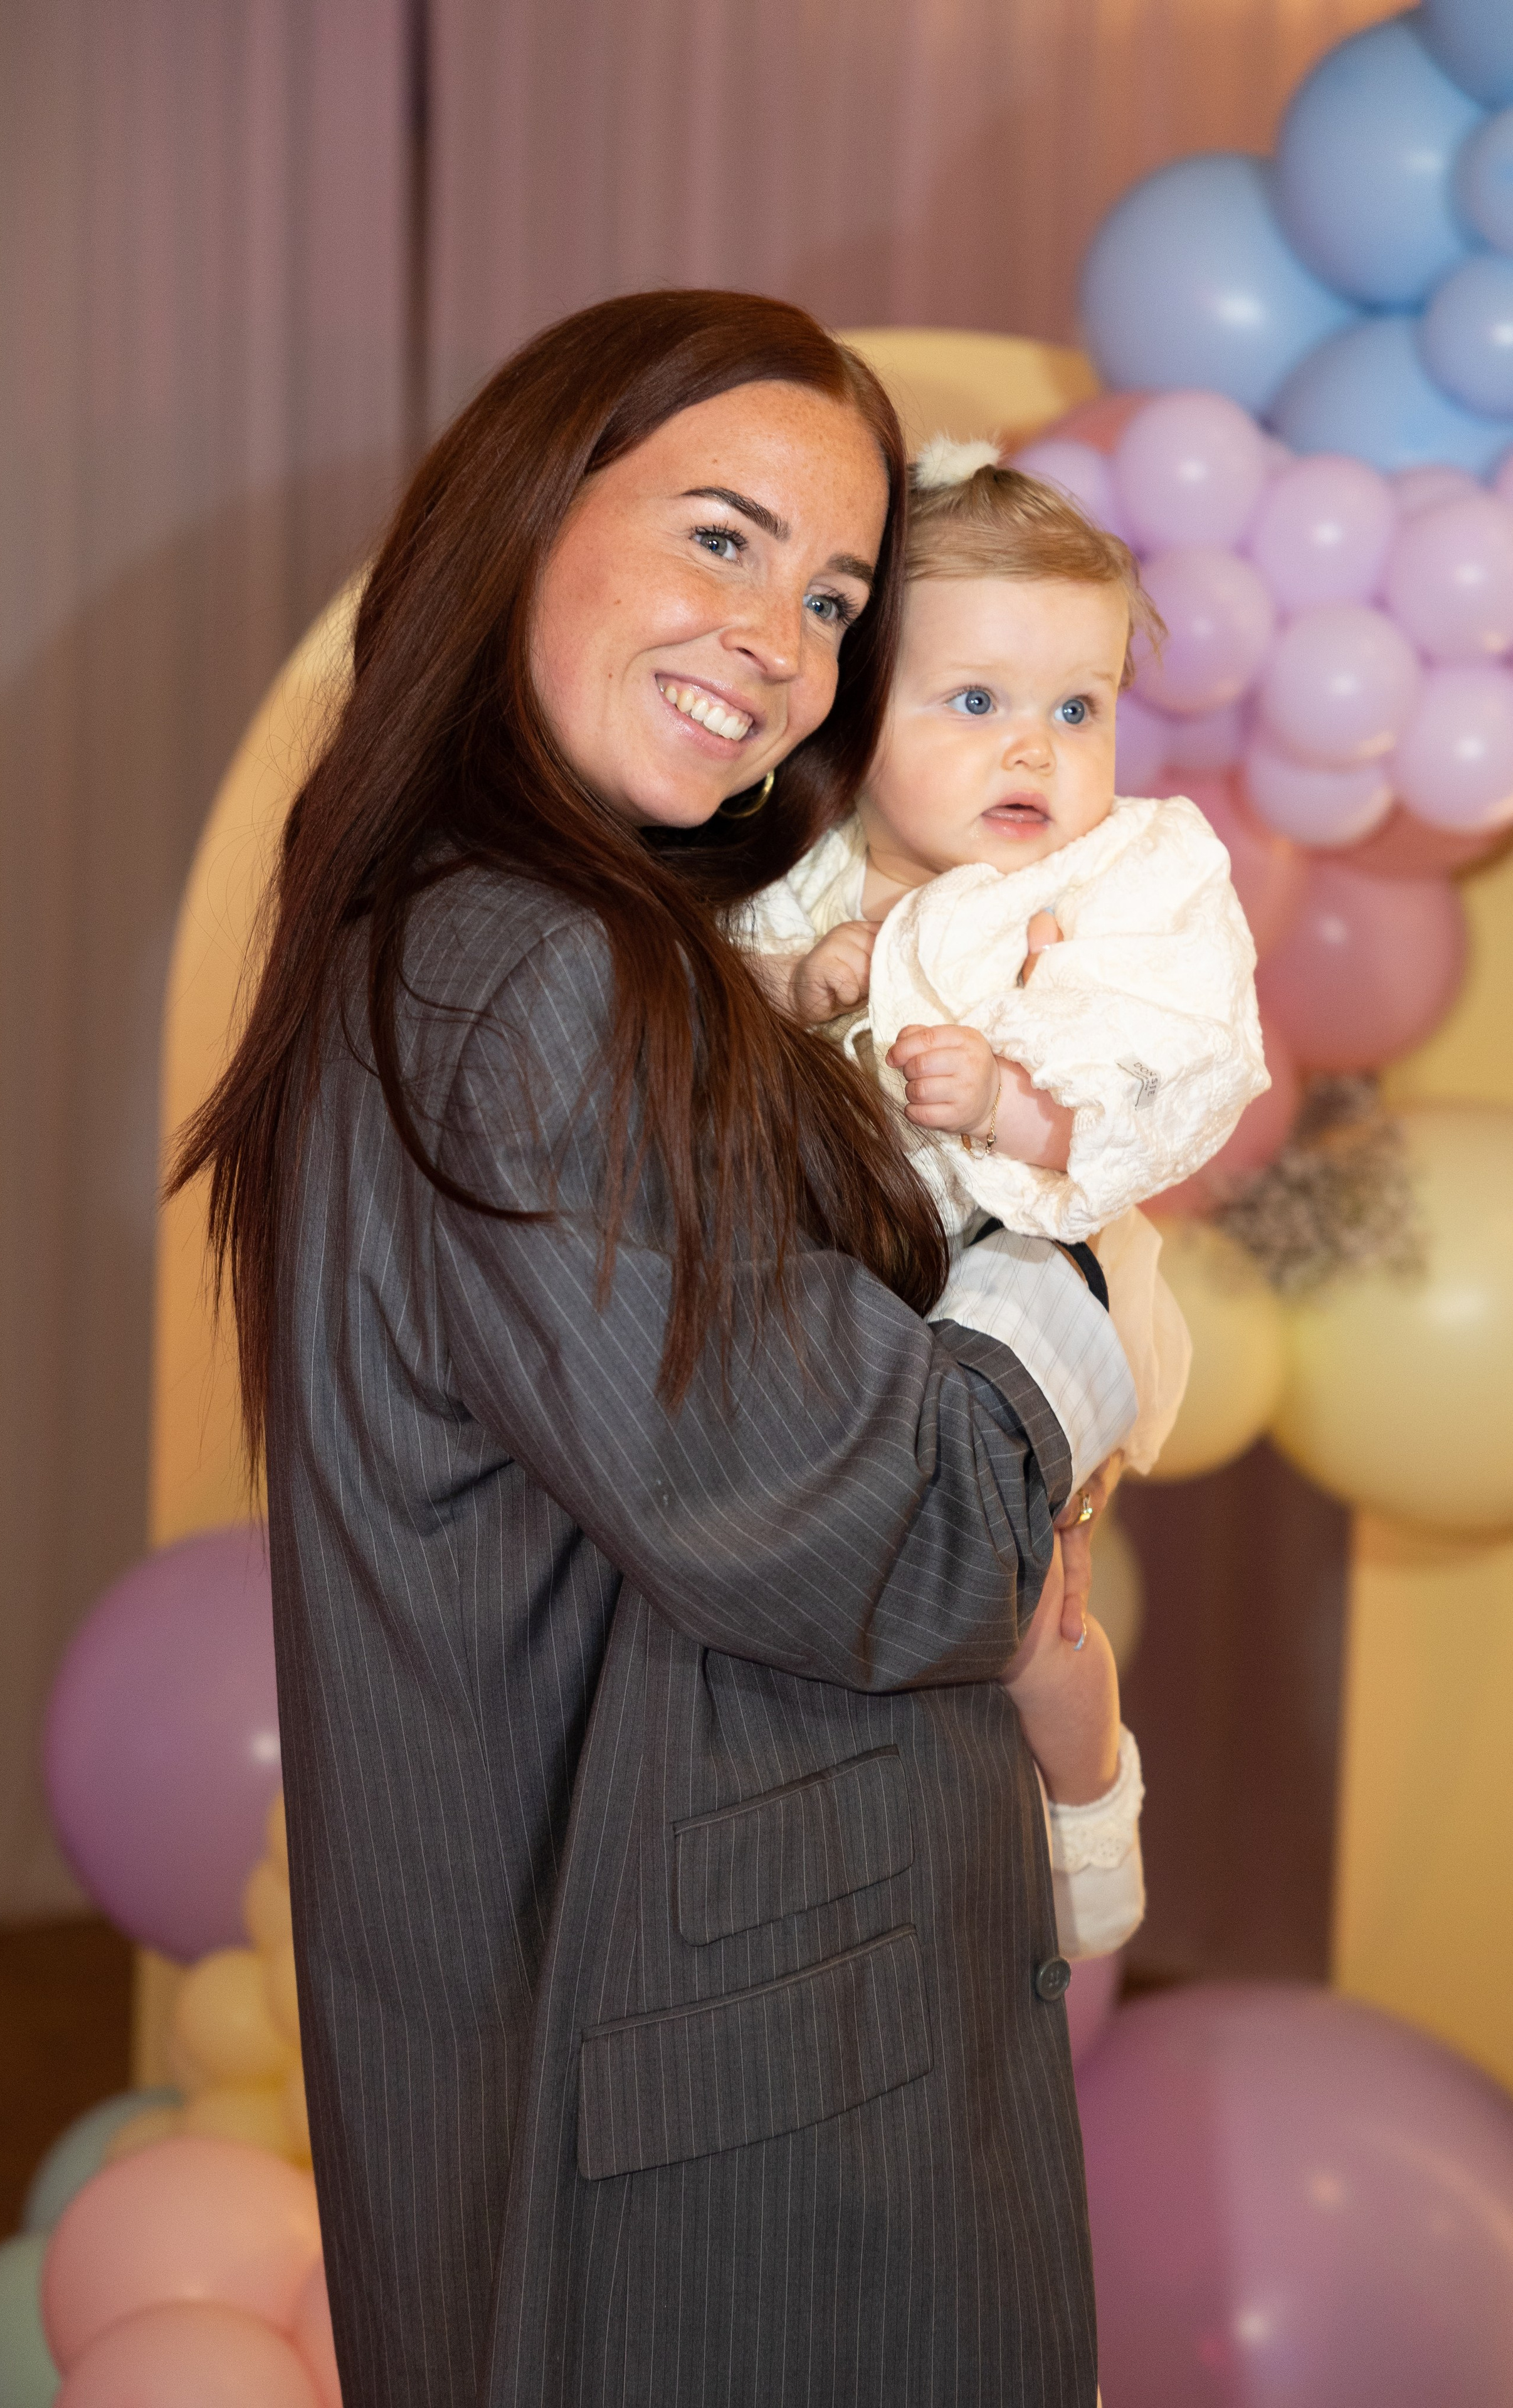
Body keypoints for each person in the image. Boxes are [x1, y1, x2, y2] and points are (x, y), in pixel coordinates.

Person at [174, 291, 1137, 2407]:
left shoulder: (558, 950)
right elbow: (909, 1537)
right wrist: (1066, 1289)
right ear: (522, 521)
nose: (778, 641)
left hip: (734, 2081)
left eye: (831, 597)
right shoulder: (521, 975)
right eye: (719, 538)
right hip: (727, 2154)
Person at [744, 445, 1269, 1474]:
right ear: (859, 709)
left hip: (1015, 1295)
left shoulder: (1123, 877)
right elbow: (689, 1005)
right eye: (978, 702)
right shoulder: (794, 859)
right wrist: (793, 985)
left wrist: (1006, 1106)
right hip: (804, 1302)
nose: (1036, 749)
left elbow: (1179, 1075)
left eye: (1077, 710)